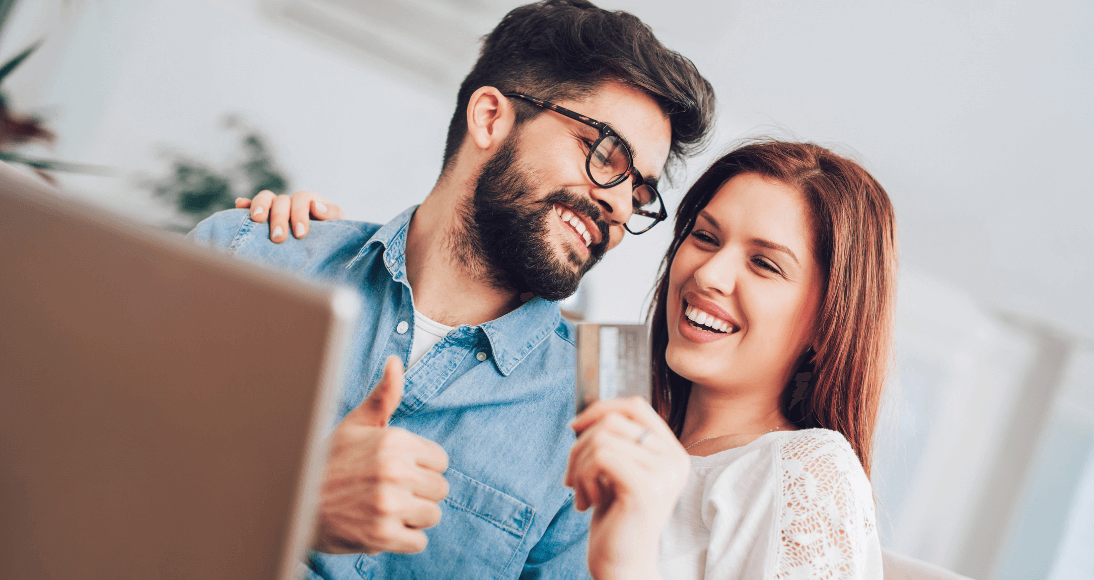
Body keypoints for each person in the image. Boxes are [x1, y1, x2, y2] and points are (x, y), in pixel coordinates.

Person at [189, 1, 715, 578]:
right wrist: (291, 509)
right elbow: (95, 486)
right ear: (491, 118)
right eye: (604, 155)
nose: (618, 205)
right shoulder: (250, 256)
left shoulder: (603, 411)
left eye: (639, 194)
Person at [563, 140, 895, 579]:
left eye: (764, 264)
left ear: (825, 322)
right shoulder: (618, 425)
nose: (708, 274)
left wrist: (626, 565)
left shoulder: (809, 471)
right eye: (704, 237)